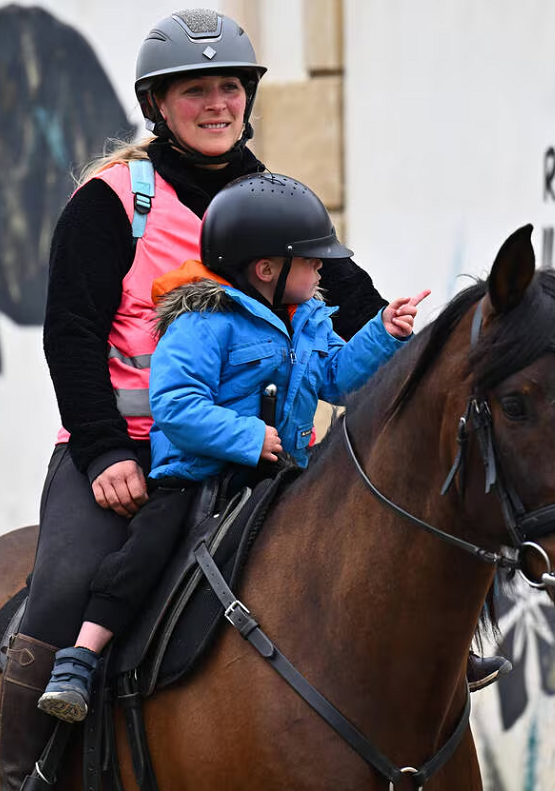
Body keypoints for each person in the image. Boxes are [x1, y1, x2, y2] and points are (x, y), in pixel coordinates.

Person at [0, 9, 387, 790]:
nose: (217, 105)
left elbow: (353, 309)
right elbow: (70, 336)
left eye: (231, 88)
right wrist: (104, 450)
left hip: (265, 454)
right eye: (196, 90)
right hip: (131, 453)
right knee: (63, 593)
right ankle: (20, 771)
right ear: (158, 105)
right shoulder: (111, 203)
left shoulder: (278, 203)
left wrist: (412, 336)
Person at [35, 173, 427, 723]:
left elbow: (337, 380)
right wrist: (249, 438)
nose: (323, 271)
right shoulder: (202, 319)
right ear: (268, 270)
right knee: (144, 553)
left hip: (280, 477)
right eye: (314, 262)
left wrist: (383, 332)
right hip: (195, 476)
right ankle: (81, 656)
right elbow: (174, 403)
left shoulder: (309, 320)